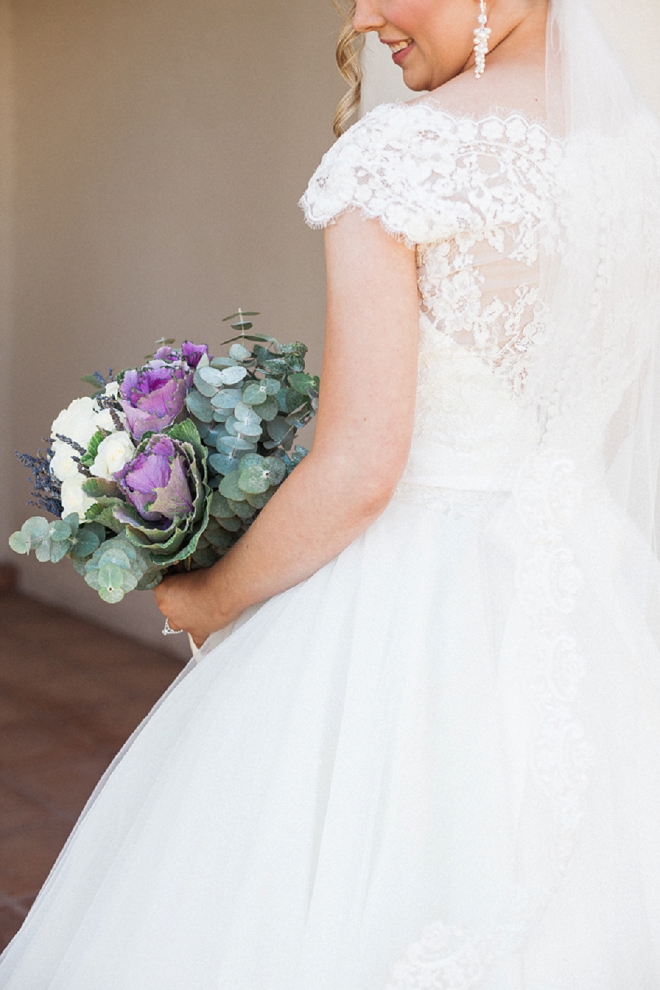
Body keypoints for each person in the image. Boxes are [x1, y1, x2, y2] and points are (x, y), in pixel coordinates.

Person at [2, 0, 660, 986]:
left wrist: (208, 602)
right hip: (597, 603)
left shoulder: (398, 156)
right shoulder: (636, 147)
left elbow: (359, 471)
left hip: (408, 613)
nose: (361, 17)